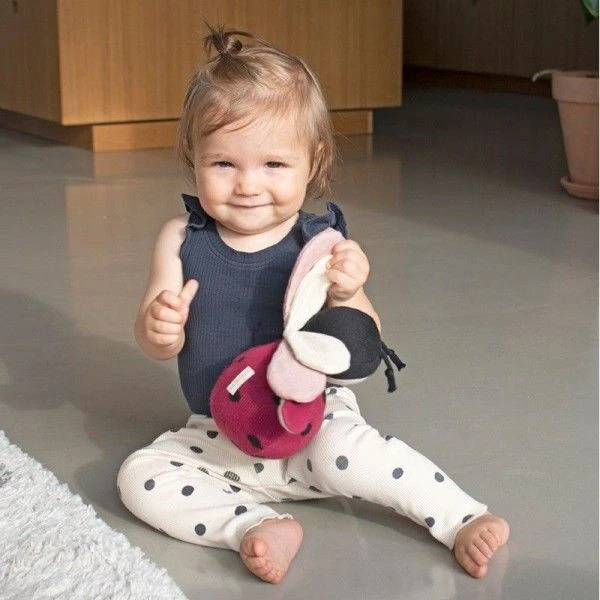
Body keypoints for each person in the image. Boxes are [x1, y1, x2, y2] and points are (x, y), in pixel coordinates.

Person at [117, 27, 509, 585]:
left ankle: (459, 516)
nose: (248, 185)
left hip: (312, 418)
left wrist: (347, 294)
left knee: (349, 452)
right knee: (140, 475)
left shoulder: (320, 245)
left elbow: (363, 349)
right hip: (222, 429)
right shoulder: (180, 238)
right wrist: (159, 327)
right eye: (224, 164)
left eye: (274, 165)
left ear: (312, 160)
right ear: (192, 156)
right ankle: (253, 524)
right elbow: (154, 339)